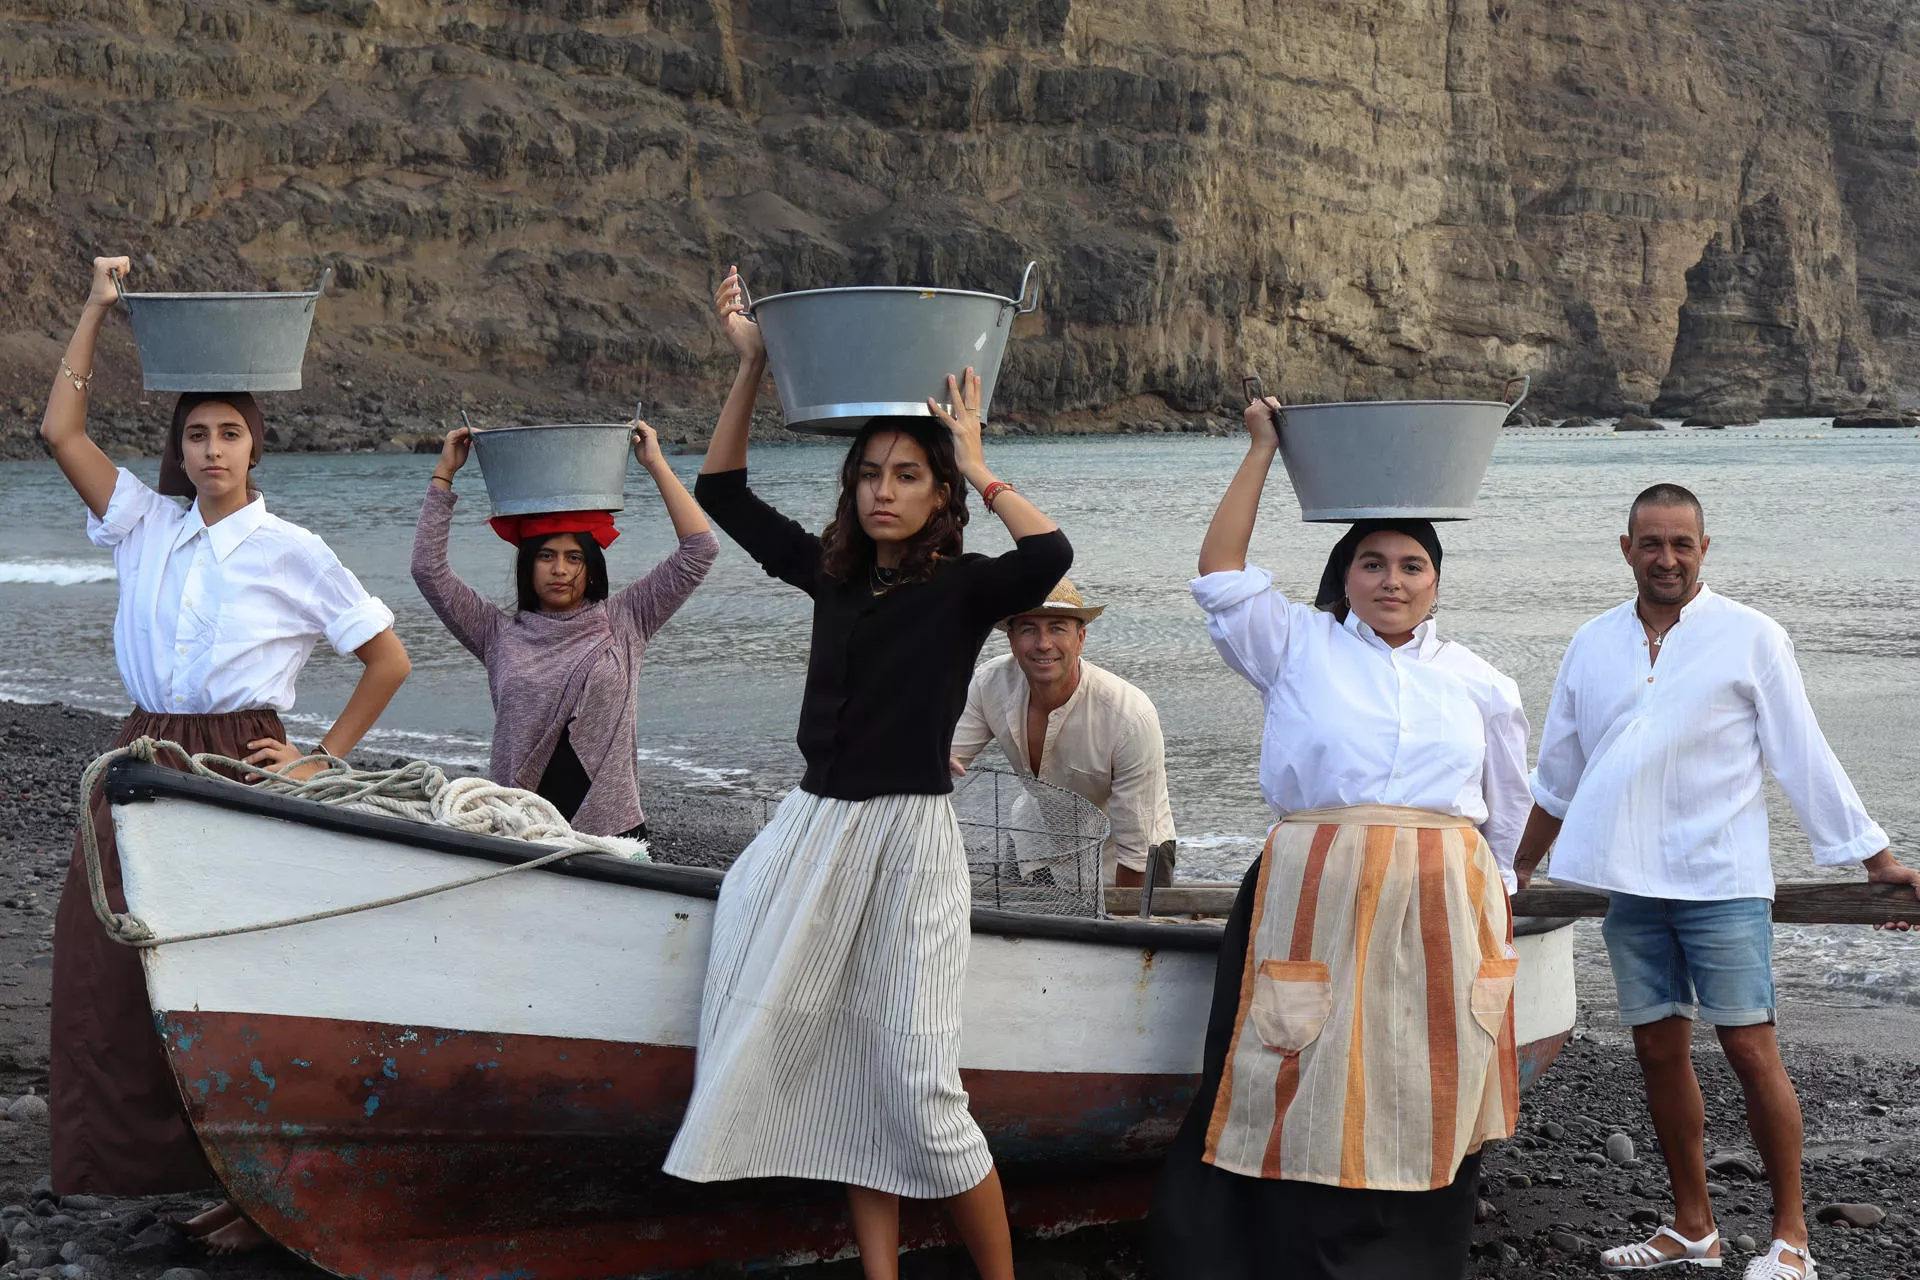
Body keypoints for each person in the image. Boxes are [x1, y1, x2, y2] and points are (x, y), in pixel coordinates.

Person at [662, 268, 1071, 1280]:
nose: (883, 490)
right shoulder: (832, 574)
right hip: (812, 827)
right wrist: (754, 362)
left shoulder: (967, 588)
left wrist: (978, 462)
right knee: (840, 1063)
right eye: (869, 474)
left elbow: (1052, 551)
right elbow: (720, 493)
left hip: (908, 838)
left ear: (935, 498)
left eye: (905, 475)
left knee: (920, 1081)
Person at [39, 256, 412, 1253]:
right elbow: (58, 432)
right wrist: (94, 308)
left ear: (256, 445)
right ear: (181, 443)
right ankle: (124, 1162)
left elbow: (388, 658)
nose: (212, 450)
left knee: (238, 961)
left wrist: (318, 758)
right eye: (197, 433)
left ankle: (245, 1175)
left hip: (241, 760)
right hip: (141, 750)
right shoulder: (144, 525)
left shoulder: (294, 547)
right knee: (110, 949)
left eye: (230, 433)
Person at [1150, 394, 1530, 1280]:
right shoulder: (1297, 644)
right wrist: (1260, 452)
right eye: (1371, 563)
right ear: (1344, 575)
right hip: (1309, 891)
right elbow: (1218, 570)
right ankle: (1272, 1253)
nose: (1391, 580)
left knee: (1423, 1077)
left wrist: (1498, 903)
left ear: (1437, 581)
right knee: (1290, 1067)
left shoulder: (1481, 682)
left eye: (1410, 566)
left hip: (1444, 901)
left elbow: (1507, 809)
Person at [1511, 483, 1919, 1280]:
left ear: (1705, 549)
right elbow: (1560, 770)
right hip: (1630, 887)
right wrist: (1516, 866)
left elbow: (1804, 755)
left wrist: (1876, 861)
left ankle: (1791, 1238)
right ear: (1626, 548)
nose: (1666, 558)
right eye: (1651, 543)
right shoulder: (1591, 643)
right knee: (1659, 1053)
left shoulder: (1751, 637)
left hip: (1721, 879)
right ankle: (1693, 1229)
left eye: (1682, 544)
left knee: (1749, 1049)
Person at [410, 420, 717, 838]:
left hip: (611, 828)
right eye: (546, 556)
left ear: (591, 567)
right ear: (528, 564)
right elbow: (428, 570)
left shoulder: (626, 621)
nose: (560, 570)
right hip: (518, 825)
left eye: (574, 557)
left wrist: (655, 463)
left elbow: (700, 549)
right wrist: (444, 474)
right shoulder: (497, 633)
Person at [949, 578, 1177, 886]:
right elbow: (941, 761)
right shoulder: (989, 683)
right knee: (1021, 928)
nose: (1043, 644)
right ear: (1012, 640)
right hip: (1038, 835)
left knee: (1135, 929)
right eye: (1029, 629)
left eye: (1057, 628)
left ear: (1080, 639)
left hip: (1124, 853)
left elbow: (1136, 851)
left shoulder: (1129, 715)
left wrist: (1126, 925)